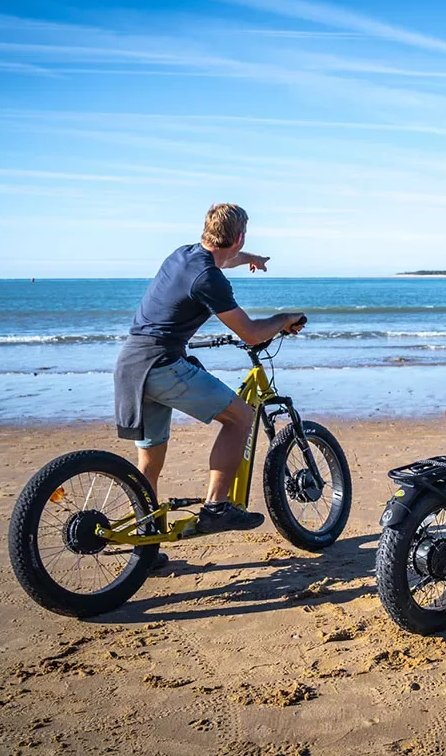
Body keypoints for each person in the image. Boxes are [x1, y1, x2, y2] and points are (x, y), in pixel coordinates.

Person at [114, 203, 306, 535]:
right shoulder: (210, 280)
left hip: (131, 366)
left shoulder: (183, 254)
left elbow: (222, 258)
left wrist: (251, 259)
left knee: (150, 463)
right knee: (241, 417)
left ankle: (147, 543)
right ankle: (216, 507)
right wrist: (283, 320)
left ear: (207, 229)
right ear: (240, 236)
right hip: (162, 365)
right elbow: (250, 333)